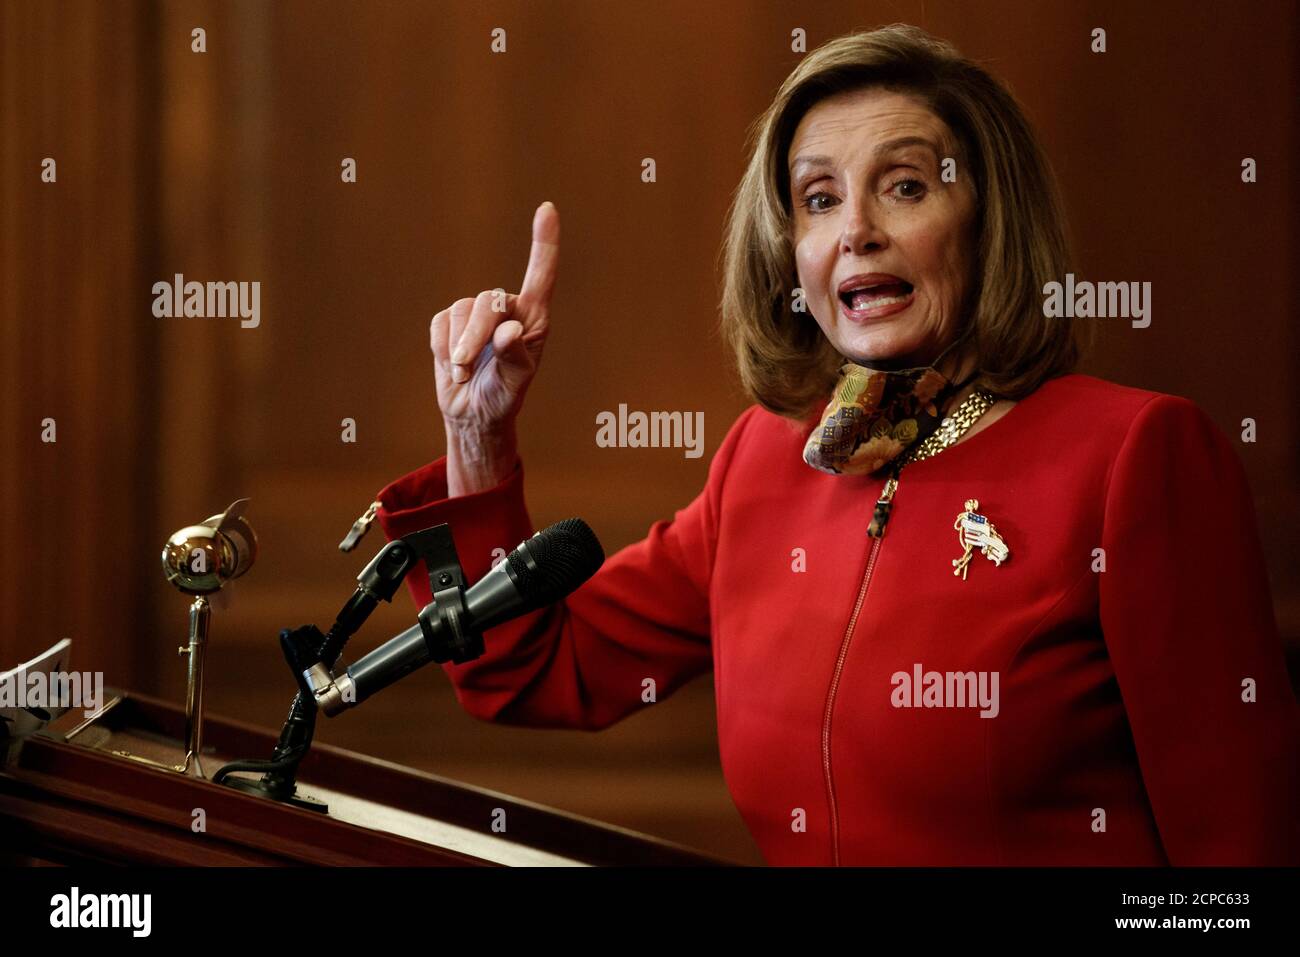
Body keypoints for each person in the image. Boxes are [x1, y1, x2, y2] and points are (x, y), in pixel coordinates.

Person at [371, 24, 1299, 865]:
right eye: (818, 199)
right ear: (792, 255)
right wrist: (477, 434)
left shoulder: (1137, 454)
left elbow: (1237, 868)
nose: (855, 230)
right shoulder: (764, 462)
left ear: (989, 221)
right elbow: (532, 668)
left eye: (904, 186)